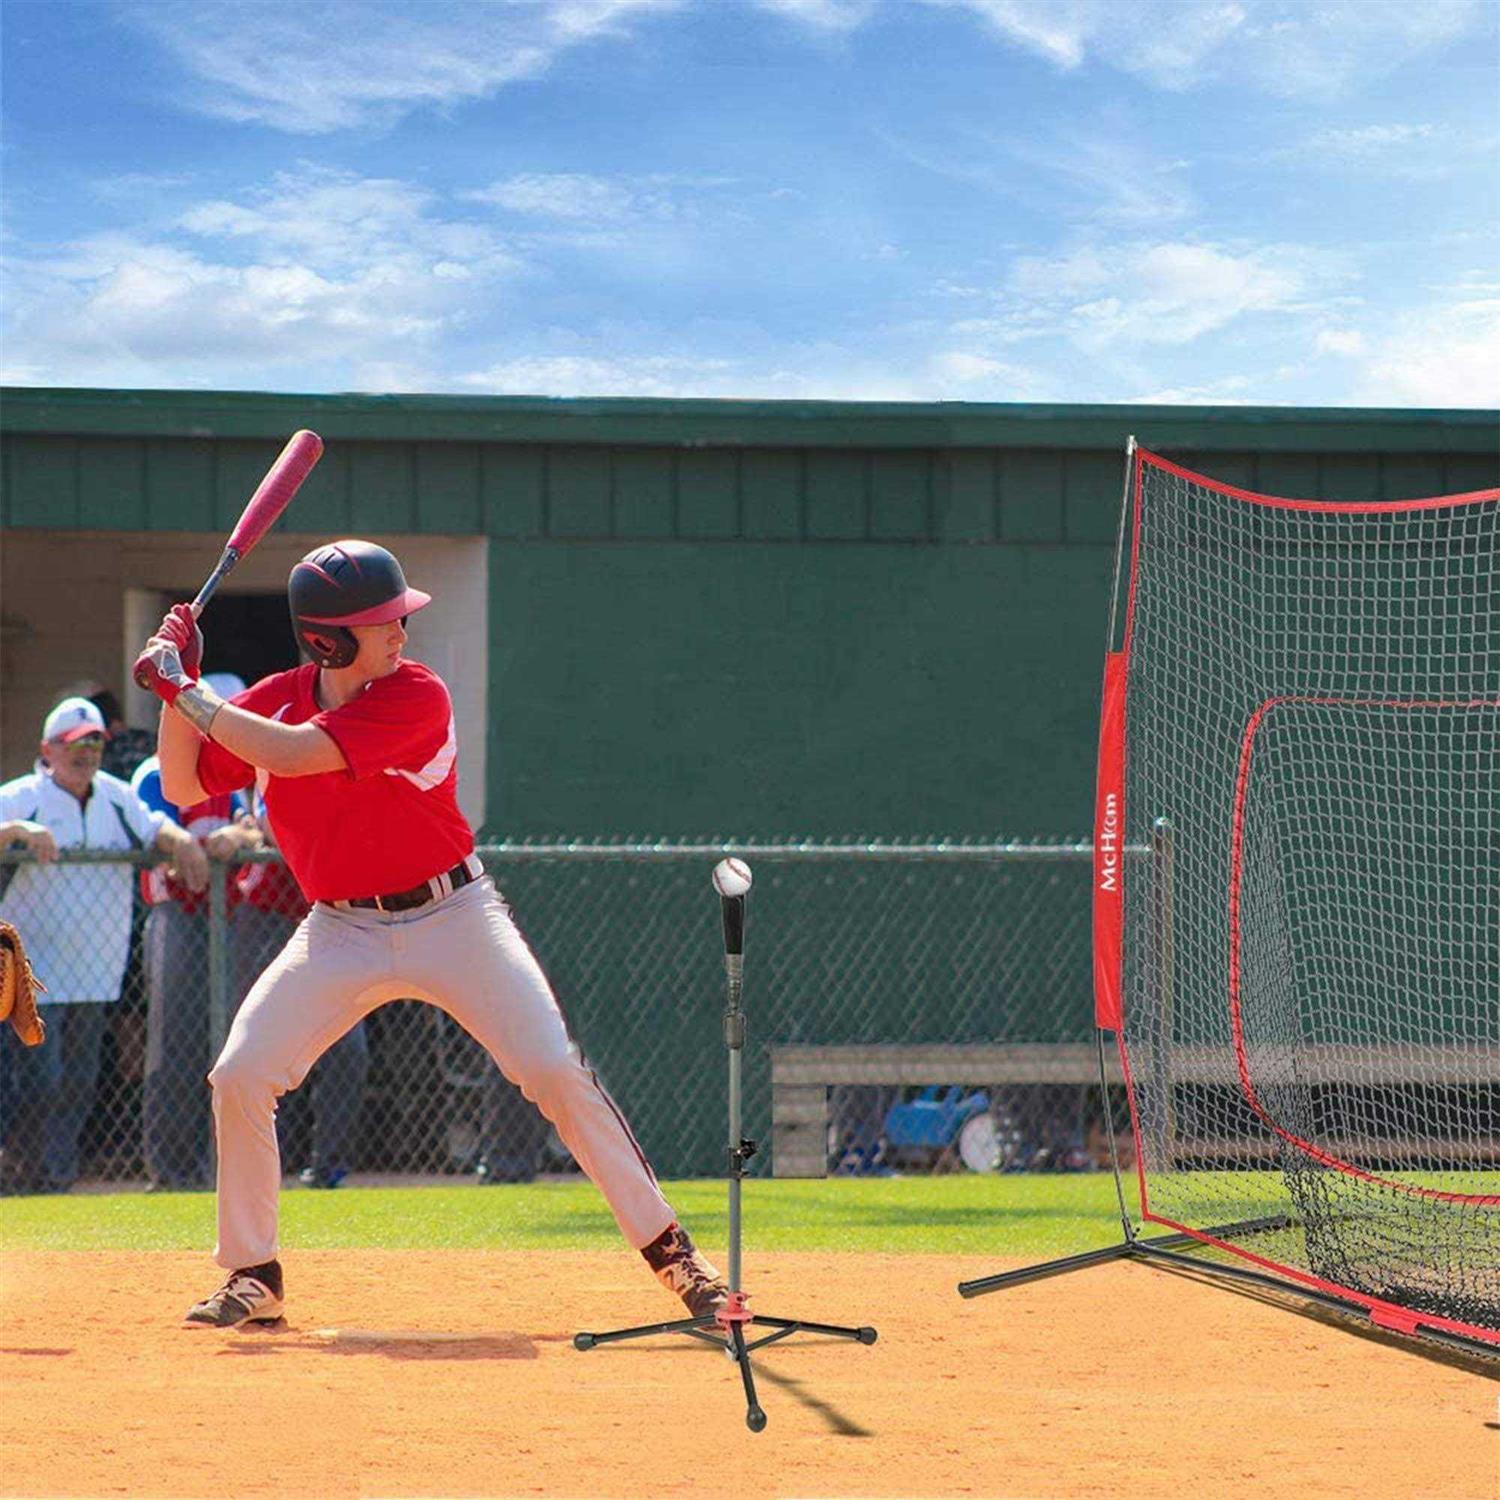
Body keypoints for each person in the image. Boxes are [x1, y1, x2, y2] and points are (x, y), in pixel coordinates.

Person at [135, 539, 727, 1329]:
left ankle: (676, 1257)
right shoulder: (274, 698)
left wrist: (190, 691)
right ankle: (254, 1273)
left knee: (552, 1069)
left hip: (455, 917)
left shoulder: (414, 695)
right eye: (383, 623)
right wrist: (178, 691)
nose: (400, 634)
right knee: (241, 1073)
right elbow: (181, 783)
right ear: (328, 639)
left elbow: (297, 754)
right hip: (339, 927)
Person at [0, 696, 205, 1194]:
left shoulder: (116, 795)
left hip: (94, 971)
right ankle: (22, 1176)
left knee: (79, 1080)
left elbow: (157, 829)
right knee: (37, 1081)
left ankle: (57, 1177)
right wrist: (17, 831)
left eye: (94, 741)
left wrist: (182, 844)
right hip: (34, 972)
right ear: (47, 749)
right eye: (73, 743)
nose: (86, 752)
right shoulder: (21, 796)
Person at [131, 674, 260, 1191]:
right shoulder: (157, 770)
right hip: (177, 918)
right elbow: (157, 830)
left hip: (230, 921)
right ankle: (171, 1171)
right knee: (174, 1047)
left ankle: (221, 1169)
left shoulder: (238, 774)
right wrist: (187, 844)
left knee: (232, 1051)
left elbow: (254, 824)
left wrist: (237, 833)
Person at [232, 794, 369, 1191]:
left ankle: (329, 1169)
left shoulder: (351, 763)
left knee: (348, 1049)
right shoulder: (278, 753)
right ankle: (255, 1172)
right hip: (267, 917)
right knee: (256, 1050)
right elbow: (272, 825)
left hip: (339, 918)